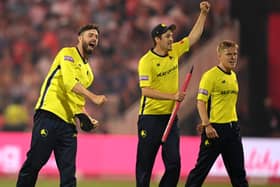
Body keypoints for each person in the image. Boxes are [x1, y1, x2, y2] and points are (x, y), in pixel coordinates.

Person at [16, 24, 107, 187]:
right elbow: (69, 83)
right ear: (80, 38)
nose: (94, 38)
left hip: (68, 124)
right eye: (90, 35)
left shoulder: (89, 73)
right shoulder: (67, 53)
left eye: (96, 37)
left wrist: (87, 117)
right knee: (35, 162)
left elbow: (77, 101)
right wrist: (94, 97)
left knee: (68, 172)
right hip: (49, 114)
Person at [136, 2, 210, 187]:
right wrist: (172, 97)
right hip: (150, 118)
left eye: (171, 35)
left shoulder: (174, 51)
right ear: (157, 39)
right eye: (167, 36)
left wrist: (203, 14)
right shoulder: (146, 61)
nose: (171, 39)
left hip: (170, 118)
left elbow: (193, 37)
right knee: (145, 167)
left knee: (174, 165)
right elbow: (145, 91)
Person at [185, 40, 249, 187]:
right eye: (229, 54)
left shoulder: (233, 76)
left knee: (239, 175)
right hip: (214, 131)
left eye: (235, 54)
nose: (233, 57)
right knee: (200, 172)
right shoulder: (210, 76)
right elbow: (201, 101)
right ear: (219, 55)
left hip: (233, 130)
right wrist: (206, 124)